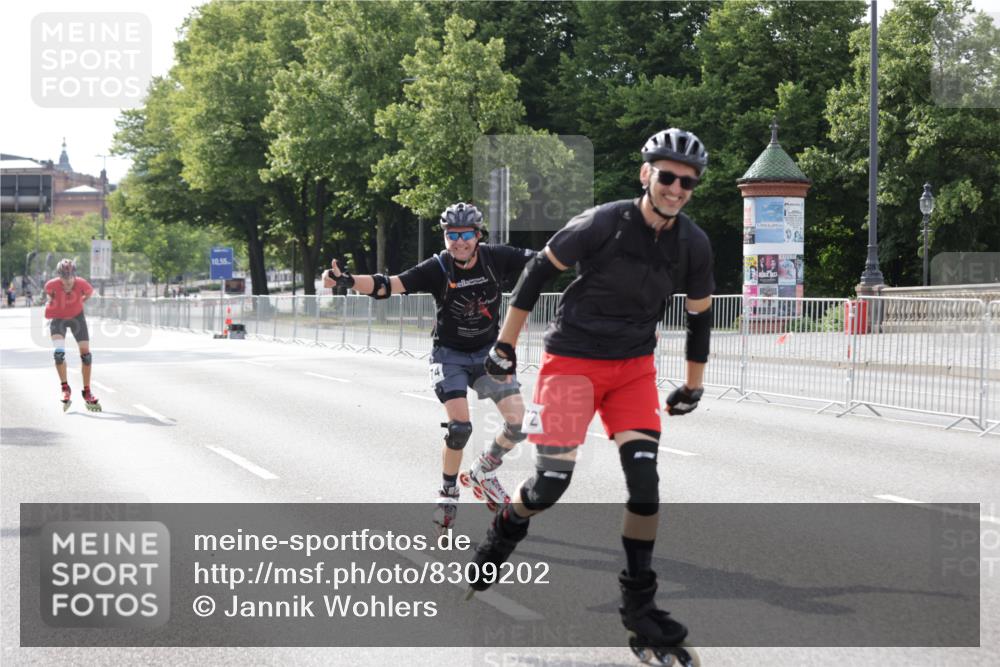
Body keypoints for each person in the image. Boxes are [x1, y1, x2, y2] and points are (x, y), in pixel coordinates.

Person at [470, 128, 715, 657]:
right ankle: (505, 529)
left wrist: (693, 385)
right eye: (667, 176)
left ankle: (639, 608)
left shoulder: (693, 243)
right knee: (549, 487)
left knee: (646, 485)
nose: (676, 189)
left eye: (687, 182)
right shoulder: (604, 222)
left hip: (632, 370)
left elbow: (700, 319)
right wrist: (504, 347)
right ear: (647, 173)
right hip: (572, 366)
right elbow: (536, 274)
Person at [324, 203, 537, 531]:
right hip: (449, 355)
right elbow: (387, 285)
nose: (459, 242)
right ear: (445, 236)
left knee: (519, 422)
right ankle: (448, 494)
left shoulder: (496, 257)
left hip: (487, 353)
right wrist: (347, 280)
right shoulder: (438, 267)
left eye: (466, 235)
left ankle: (483, 472)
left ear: (478, 236)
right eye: (452, 235)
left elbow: (547, 260)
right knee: (459, 428)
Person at [44, 259, 101, 412]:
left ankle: (87, 391)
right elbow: (50, 296)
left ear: (74, 275)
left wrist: (79, 302)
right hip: (59, 319)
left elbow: (88, 295)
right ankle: (65, 387)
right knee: (58, 355)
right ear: (58, 275)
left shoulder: (83, 284)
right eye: (63, 277)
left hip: (77, 318)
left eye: (69, 277)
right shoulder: (51, 285)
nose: (67, 280)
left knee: (86, 356)